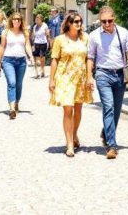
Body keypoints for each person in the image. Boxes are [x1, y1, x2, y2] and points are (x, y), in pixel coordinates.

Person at [87, 7, 128, 159]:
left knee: (116, 110)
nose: (107, 24)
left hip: (120, 74)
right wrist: (89, 76)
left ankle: (106, 132)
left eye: (110, 21)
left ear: (114, 19)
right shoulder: (94, 36)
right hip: (103, 74)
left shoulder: (123, 32)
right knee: (108, 107)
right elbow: (90, 57)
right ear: (100, 21)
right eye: (104, 21)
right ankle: (111, 146)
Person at [49, 13, 93, 157]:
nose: (78, 24)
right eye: (75, 21)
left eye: (80, 21)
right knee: (68, 110)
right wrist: (51, 80)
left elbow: (88, 58)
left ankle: (74, 134)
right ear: (68, 23)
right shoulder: (60, 39)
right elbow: (54, 59)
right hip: (65, 77)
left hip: (80, 78)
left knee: (78, 109)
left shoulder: (85, 38)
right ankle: (69, 144)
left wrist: (89, 77)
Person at [0, 12, 34, 119]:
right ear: (11, 20)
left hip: (21, 61)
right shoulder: (6, 32)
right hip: (8, 61)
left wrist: (31, 56)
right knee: (12, 83)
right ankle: (12, 109)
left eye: (18, 19)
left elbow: (27, 45)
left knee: (18, 84)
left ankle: (16, 102)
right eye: (14, 19)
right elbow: (2, 47)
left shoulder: (25, 32)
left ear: (21, 21)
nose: (16, 21)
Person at [31, 14, 51, 78]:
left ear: (41, 19)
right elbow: (33, 36)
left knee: (42, 57)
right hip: (36, 43)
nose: (36, 19)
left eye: (38, 18)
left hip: (43, 43)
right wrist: (32, 44)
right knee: (35, 57)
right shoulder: (35, 26)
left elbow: (48, 35)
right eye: (36, 18)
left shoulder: (45, 25)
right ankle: (37, 72)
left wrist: (49, 43)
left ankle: (42, 70)